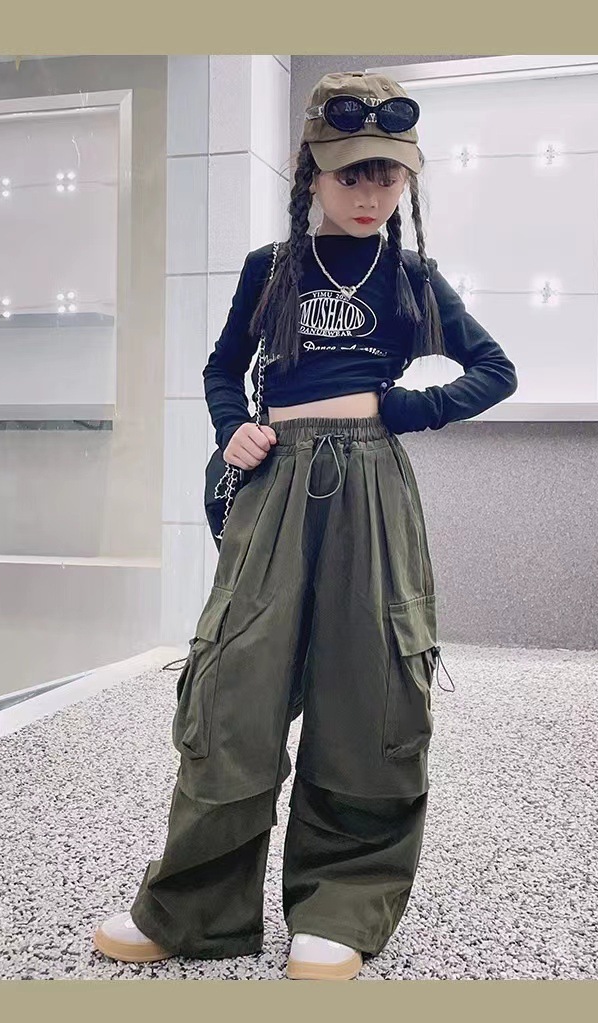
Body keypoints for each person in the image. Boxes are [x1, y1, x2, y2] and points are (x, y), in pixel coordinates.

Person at [93, 70, 518, 980]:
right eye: (351, 174)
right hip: (275, 483)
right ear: (311, 173)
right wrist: (233, 428)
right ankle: (192, 905)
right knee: (233, 687)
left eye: (388, 176)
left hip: (372, 489)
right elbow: (223, 369)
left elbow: (495, 370)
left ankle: (342, 902)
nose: (371, 194)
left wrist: (404, 409)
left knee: (370, 685)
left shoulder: (412, 278)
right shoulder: (271, 269)